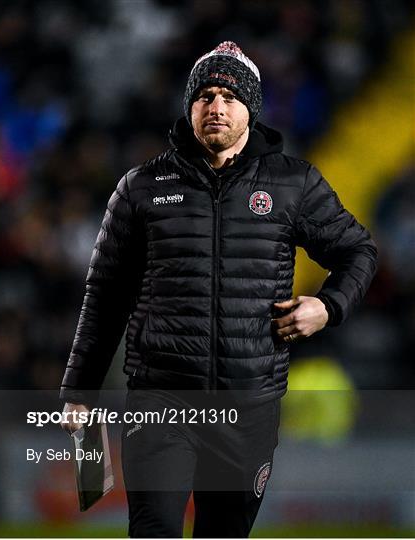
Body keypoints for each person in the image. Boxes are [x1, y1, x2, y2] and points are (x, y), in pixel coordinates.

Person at [60, 41, 378, 537]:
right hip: (161, 403)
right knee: (154, 529)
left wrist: (328, 306)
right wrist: (78, 391)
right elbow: (104, 297)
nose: (216, 106)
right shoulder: (140, 187)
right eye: (205, 95)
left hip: (248, 409)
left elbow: (359, 252)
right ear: (189, 107)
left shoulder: (294, 184)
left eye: (229, 96)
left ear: (250, 107)